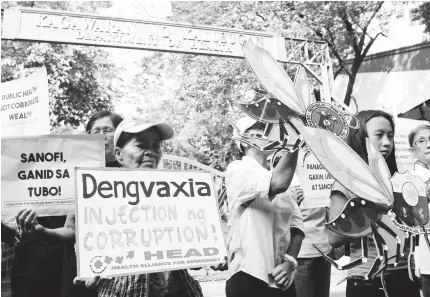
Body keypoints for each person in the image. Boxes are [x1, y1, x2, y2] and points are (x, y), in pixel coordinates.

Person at [75, 118, 204, 297]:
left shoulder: (176, 194)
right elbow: (88, 244)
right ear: (119, 154)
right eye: (141, 145)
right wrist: (89, 269)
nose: (151, 152)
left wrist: (212, 254)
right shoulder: (98, 196)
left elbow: (194, 256)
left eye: (156, 146)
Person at [328, 110, 420, 297]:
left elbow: (413, 229)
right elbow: (334, 238)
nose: (387, 142)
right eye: (379, 135)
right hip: (367, 281)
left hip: (405, 276)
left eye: (391, 136)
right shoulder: (345, 182)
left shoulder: (400, 181)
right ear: (360, 137)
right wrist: (371, 212)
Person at [225, 117, 304, 297]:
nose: (266, 134)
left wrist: (290, 262)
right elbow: (278, 183)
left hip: (282, 280)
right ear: (243, 141)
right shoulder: (237, 170)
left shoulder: (282, 174)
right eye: (259, 131)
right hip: (247, 277)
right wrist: (297, 138)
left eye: (268, 130)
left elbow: (297, 227)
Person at [1, 126, 76, 297]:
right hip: (28, 271)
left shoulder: (81, 183)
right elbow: (10, 236)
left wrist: (42, 231)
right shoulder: (20, 182)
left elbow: (73, 230)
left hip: (64, 273)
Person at [290, 174, 332, 297]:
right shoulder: (284, 179)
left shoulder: (320, 173)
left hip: (323, 251)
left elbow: (329, 211)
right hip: (301, 254)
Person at [408, 124, 430, 297]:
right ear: (412, 149)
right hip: (427, 260)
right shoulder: (410, 180)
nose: (428, 144)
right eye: (421, 141)